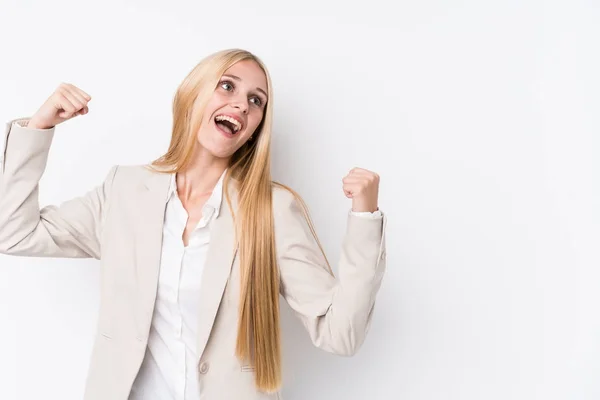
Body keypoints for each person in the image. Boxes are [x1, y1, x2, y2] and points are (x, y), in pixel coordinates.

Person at [0, 48, 387, 400]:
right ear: (193, 95)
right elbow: (13, 232)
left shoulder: (271, 210)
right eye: (227, 86)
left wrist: (365, 217)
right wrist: (38, 128)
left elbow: (341, 335)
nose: (241, 105)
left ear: (255, 128)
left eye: (256, 101)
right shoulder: (125, 192)